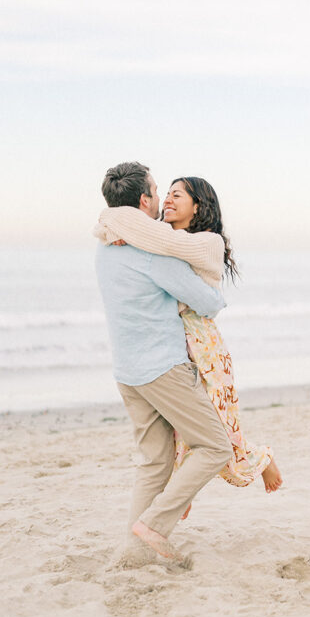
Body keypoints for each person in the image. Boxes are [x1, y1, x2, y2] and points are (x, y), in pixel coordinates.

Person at [94, 176, 282, 496]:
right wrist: (121, 229)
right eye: (165, 193)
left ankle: (262, 460)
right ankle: (181, 492)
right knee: (181, 428)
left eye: (177, 195)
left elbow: (167, 249)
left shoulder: (207, 241)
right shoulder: (163, 237)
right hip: (178, 338)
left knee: (217, 419)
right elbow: (156, 242)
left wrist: (120, 227)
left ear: (198, 206)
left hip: (202, 338)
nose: (167, 199)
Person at [95, 162, 233, 563]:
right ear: (144, 200)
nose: (162, 198)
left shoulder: (106, 244)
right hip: (162, 369)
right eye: (157, 191)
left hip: (126, 371)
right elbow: (210, 303)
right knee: (215, 446)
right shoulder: (150, 252)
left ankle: (135, 554)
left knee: (154, 463)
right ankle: (155, 525)